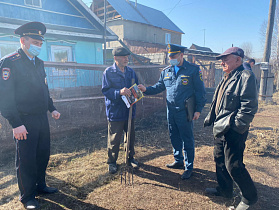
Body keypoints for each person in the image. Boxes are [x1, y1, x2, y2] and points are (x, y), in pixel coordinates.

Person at [0, 22, 61, 209]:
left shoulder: (39, 63)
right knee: (26, 159)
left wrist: (52, 108)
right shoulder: (10, 62)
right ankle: (27, 197)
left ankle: (40, 186)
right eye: (35, 42)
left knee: (42, 154)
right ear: (23, 41)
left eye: (41, 43)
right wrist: (15, 123)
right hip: (23, 120)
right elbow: (5, 96)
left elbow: (44, 89)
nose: (39, 46)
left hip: (41, 118)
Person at [138, 44, 206, 179]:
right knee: (174, 135)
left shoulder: (193, 70)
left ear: (182, 55)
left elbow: (200, 92)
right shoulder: (166, 71)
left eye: (174, 56)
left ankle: (189, 166)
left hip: (185, 111)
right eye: (170, 57)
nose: (171, 59)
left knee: (187, 138)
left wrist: (198, 110)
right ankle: (178, 160)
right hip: (171, 111)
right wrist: (146, 90)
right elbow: (159, 86)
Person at [204, 47, 258, 210]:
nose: (222, 62)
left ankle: (249, 198)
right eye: (222, 59)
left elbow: (249, 106)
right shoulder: (227, 77)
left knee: (234, 165)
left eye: (226, 59)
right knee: (219, 160)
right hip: (221, 127)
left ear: (238, 60)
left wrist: (236, 127)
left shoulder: (246, 77)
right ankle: (225, 190)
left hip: (233, 130)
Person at [102, 46, 139, 174]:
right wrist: (119, 92)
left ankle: (130, 158)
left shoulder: (131, 72)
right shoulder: (108, 72)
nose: (126, 59)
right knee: (114, 138)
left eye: (127, 57)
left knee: (130, 136)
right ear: (115, 58)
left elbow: (135, 87)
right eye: (123, 57)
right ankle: (112, 162)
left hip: (129, 110)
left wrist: (137, 91)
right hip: (115, 111)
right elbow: (106, 91)